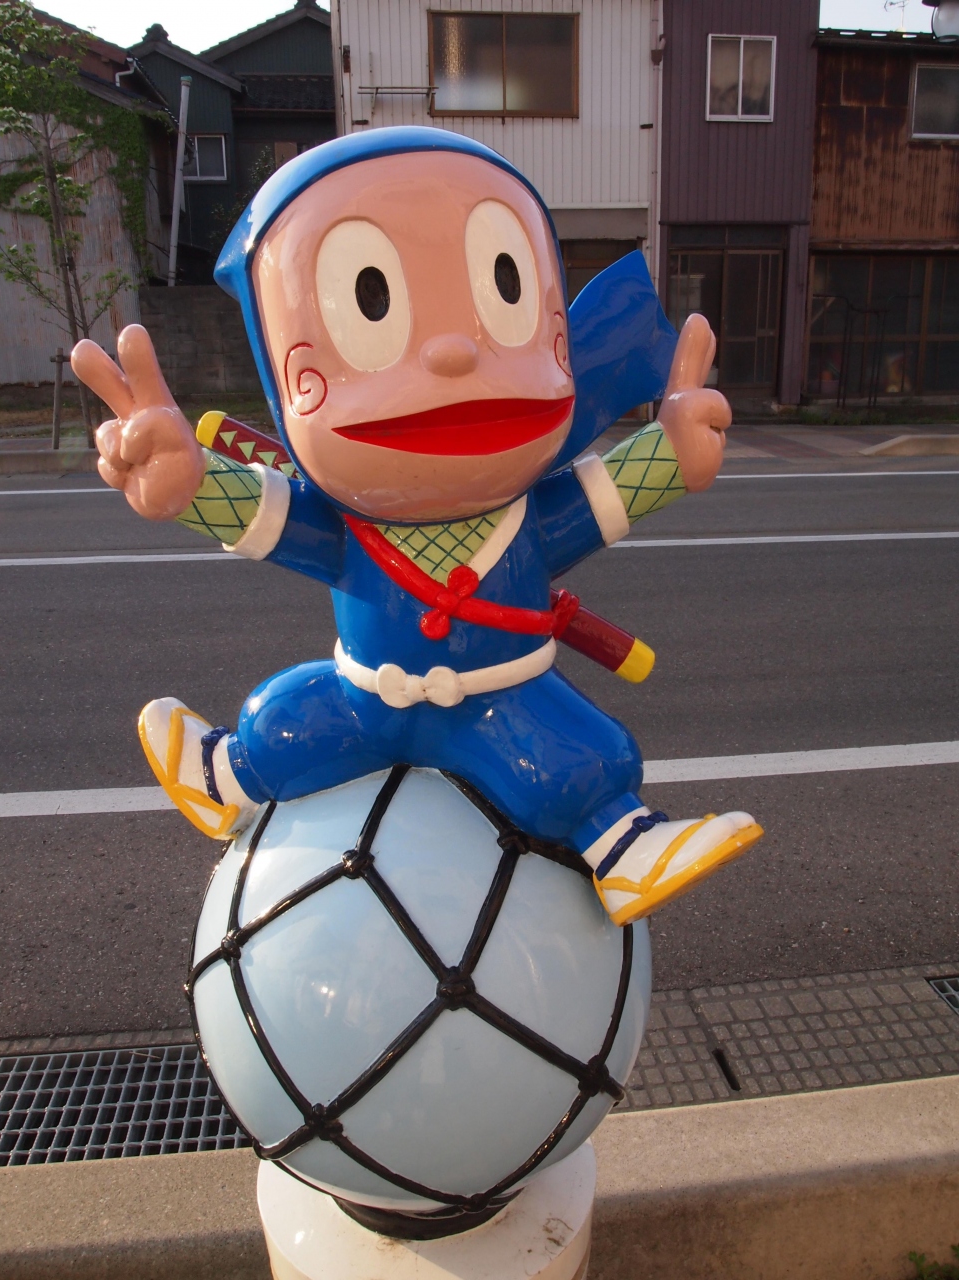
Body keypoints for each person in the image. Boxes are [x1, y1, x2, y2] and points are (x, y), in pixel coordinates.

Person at [72, 128, 761, 928]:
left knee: (583, 759)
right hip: (366, 699)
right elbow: (267, 515)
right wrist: (191, 483)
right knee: (283, 721)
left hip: (503, 700)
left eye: (505, 284)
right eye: (371, 299)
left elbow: (604, 497)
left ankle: (623, 847)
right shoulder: (348, 529)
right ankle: (222, 774)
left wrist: (671, 453)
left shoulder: (526, 518)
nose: (452, 353)